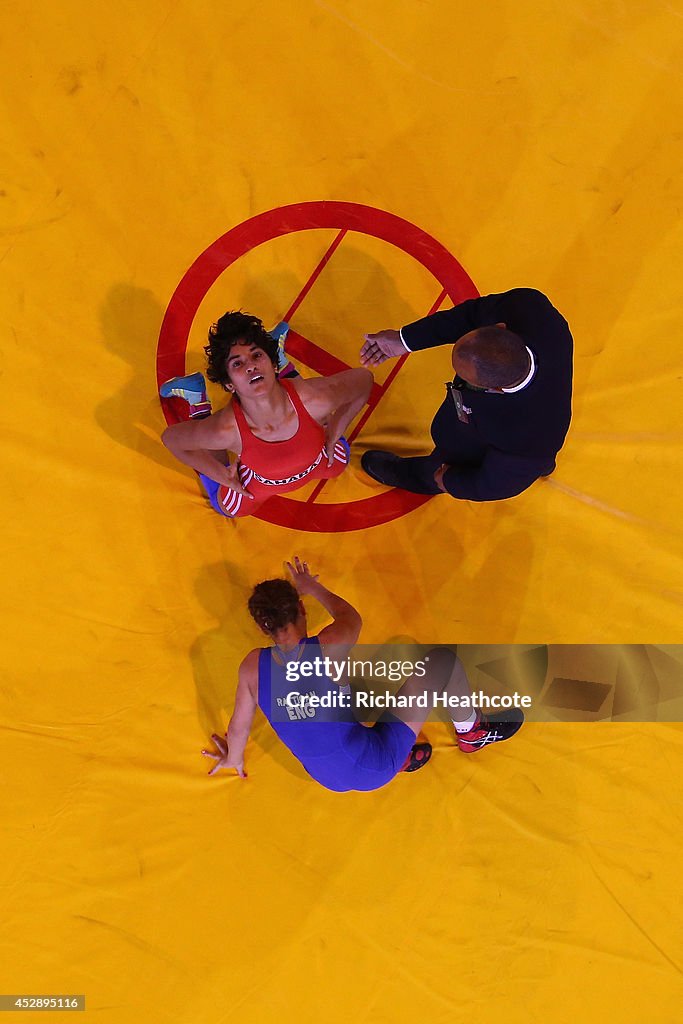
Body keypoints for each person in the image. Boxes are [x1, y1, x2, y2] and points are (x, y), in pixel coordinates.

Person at [201, 558, 524, 790]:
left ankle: (399, 755)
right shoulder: (332, 642)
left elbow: (239, 727)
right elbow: (347, 614)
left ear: (262, 627)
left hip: (327, 778)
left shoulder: (251, 666)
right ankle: (472, 733)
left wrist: (234, 758)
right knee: (442, 663)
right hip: (373, 765)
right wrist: (313, 587)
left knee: (348, 694)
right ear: (302, 609)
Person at [359, 288, 573, 501]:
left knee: (448, 465)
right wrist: (405, 340)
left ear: (494, 390)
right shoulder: (529, 308)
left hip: (509, 443)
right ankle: (541, 465)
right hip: (530, 441)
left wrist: (451, 481)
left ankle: (413, 475)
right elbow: (470, 315)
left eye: (464, 379)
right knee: (533, 459)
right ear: (499, 327)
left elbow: (494, 485)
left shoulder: (527, 435)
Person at [160, 312, 373, 519]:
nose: (251, 366)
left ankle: (278, 355)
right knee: (225, 506)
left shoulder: (315, 400)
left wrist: (336, 431)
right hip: (258, 485)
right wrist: (222, 476)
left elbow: (364, 380)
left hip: (318, 462)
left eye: (256, 355)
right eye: (237, 363)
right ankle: (198, 400)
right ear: (229, 384)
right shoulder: (226, 430)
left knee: (337, 453)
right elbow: (172, 440)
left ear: (271, 364)